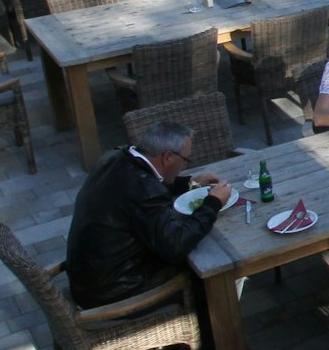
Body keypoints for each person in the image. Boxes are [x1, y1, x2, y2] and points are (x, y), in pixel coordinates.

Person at [65, 120, 233, 310]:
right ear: (168, 157)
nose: (185, 165)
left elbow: (143, 184)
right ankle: (214, 335)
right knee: (206, 274)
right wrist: (214, 203)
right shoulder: (145, 191)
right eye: (185, 160)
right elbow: (176, 246)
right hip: (113, 292)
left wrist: (188, 183)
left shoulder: (114, 157)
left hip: (90, 277)